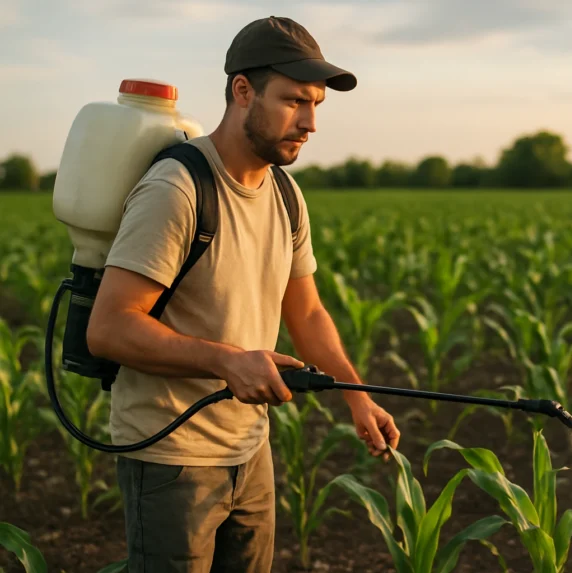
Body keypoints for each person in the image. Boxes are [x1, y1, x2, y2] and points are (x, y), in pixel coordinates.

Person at [87, 15, 401, 573]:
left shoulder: (285, 193)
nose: (309, 123)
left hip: (251, 450)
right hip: (170, 455)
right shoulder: (178, 189)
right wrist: (228, 361)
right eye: (294, 101)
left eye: (316, 106)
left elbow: (305, 311)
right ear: (242, 91)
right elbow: (109, 327)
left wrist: (357, 395)